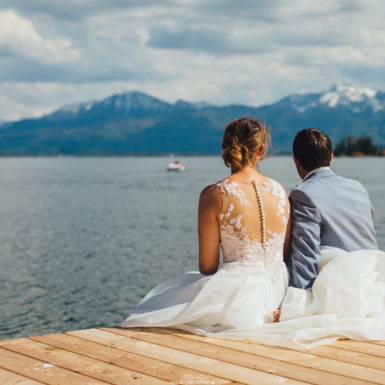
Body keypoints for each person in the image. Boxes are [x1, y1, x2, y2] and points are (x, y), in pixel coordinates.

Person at [120, 117, 291, 333]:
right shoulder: (280, 191)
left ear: (226, 150)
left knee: (152, 310)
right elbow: (284, 254)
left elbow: (207, 267)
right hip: (280, 288)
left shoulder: (215, 194)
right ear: (261, 150)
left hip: (240, 295)